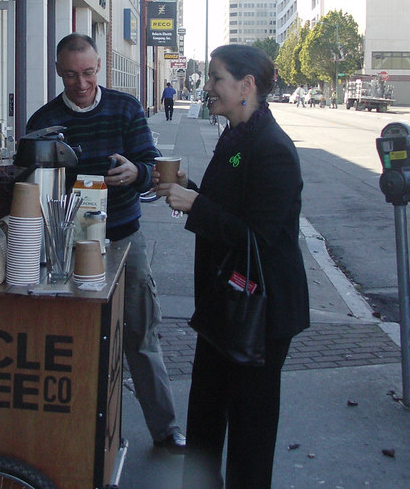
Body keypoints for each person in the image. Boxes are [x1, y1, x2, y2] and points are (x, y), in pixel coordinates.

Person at [156, 44, 310, 488]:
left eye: (216, 78)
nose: (207, 87)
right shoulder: (236, 138)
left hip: (258, 312)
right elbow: (229, 207)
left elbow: (257, 237)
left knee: (250, 430)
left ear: (247, 86)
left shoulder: (273, 149)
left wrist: (197, 204)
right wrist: (189, 188)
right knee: (205, 412)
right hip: (223, 301)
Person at [27, 33, 186, 453]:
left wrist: (137, 172)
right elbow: (30, 185)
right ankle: (75, 433)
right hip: (66, 242)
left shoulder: (126, 108)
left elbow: (151, 167)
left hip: (123, 236)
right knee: (73, 338)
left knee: (140, 332)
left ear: (99, 66)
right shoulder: (43, 120)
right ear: (57, 71)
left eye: (88, 73)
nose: (81, 83)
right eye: (70, 75)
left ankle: (166, 428)